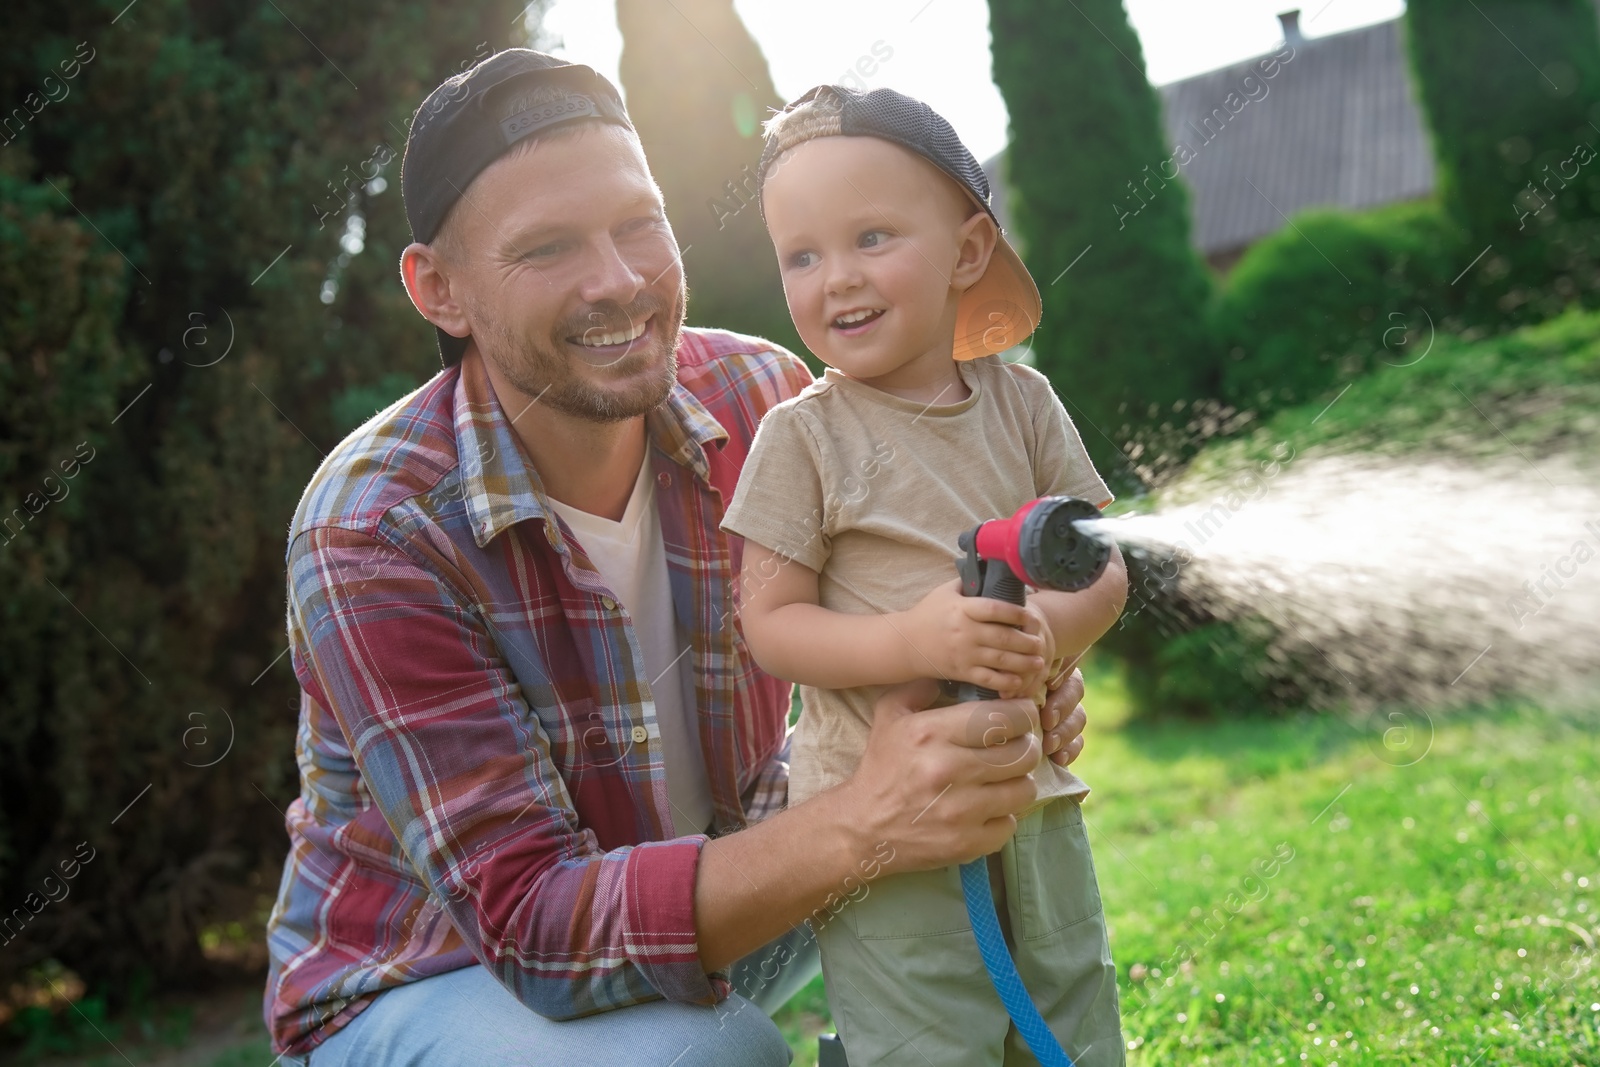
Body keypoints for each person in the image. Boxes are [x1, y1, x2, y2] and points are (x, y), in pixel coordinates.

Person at [262, 50, 1096, 1067]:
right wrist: (869, 816)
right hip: (432, 979)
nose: (617, 281)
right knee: (701, 1057)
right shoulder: (374, 528)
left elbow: (869, 645)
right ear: (438, 288)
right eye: (547, 248)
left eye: (637, 224)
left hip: (711, 889)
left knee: (1006, 884)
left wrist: (997, 678)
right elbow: (535, 925)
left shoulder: (765, 398)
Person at [719, 85, 1129, 1066]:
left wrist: (1048, 637)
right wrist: (914, 640)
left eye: (870, 236)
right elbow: (768, 622)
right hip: (885, 828)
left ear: (968, 252)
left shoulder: (1021, 402)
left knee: (1070, 1015)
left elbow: (1101, 563)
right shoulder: (801, 436)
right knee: (925, 1039)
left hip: (1034, 800)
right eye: (802, 255)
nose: (836, 279)